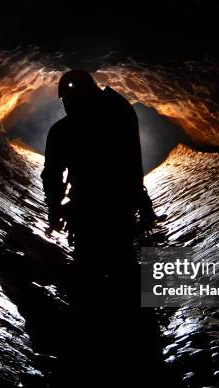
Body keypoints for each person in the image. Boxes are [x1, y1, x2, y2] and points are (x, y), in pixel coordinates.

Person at [41, 69, 156, 282]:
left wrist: (55, 208)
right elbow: (132, 161)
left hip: (90, 210)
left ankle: (95, 307)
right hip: (118, 205)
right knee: (122, 263)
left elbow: (52, 174)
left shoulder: (63, 131)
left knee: (91, 270)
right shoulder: (119, 112)